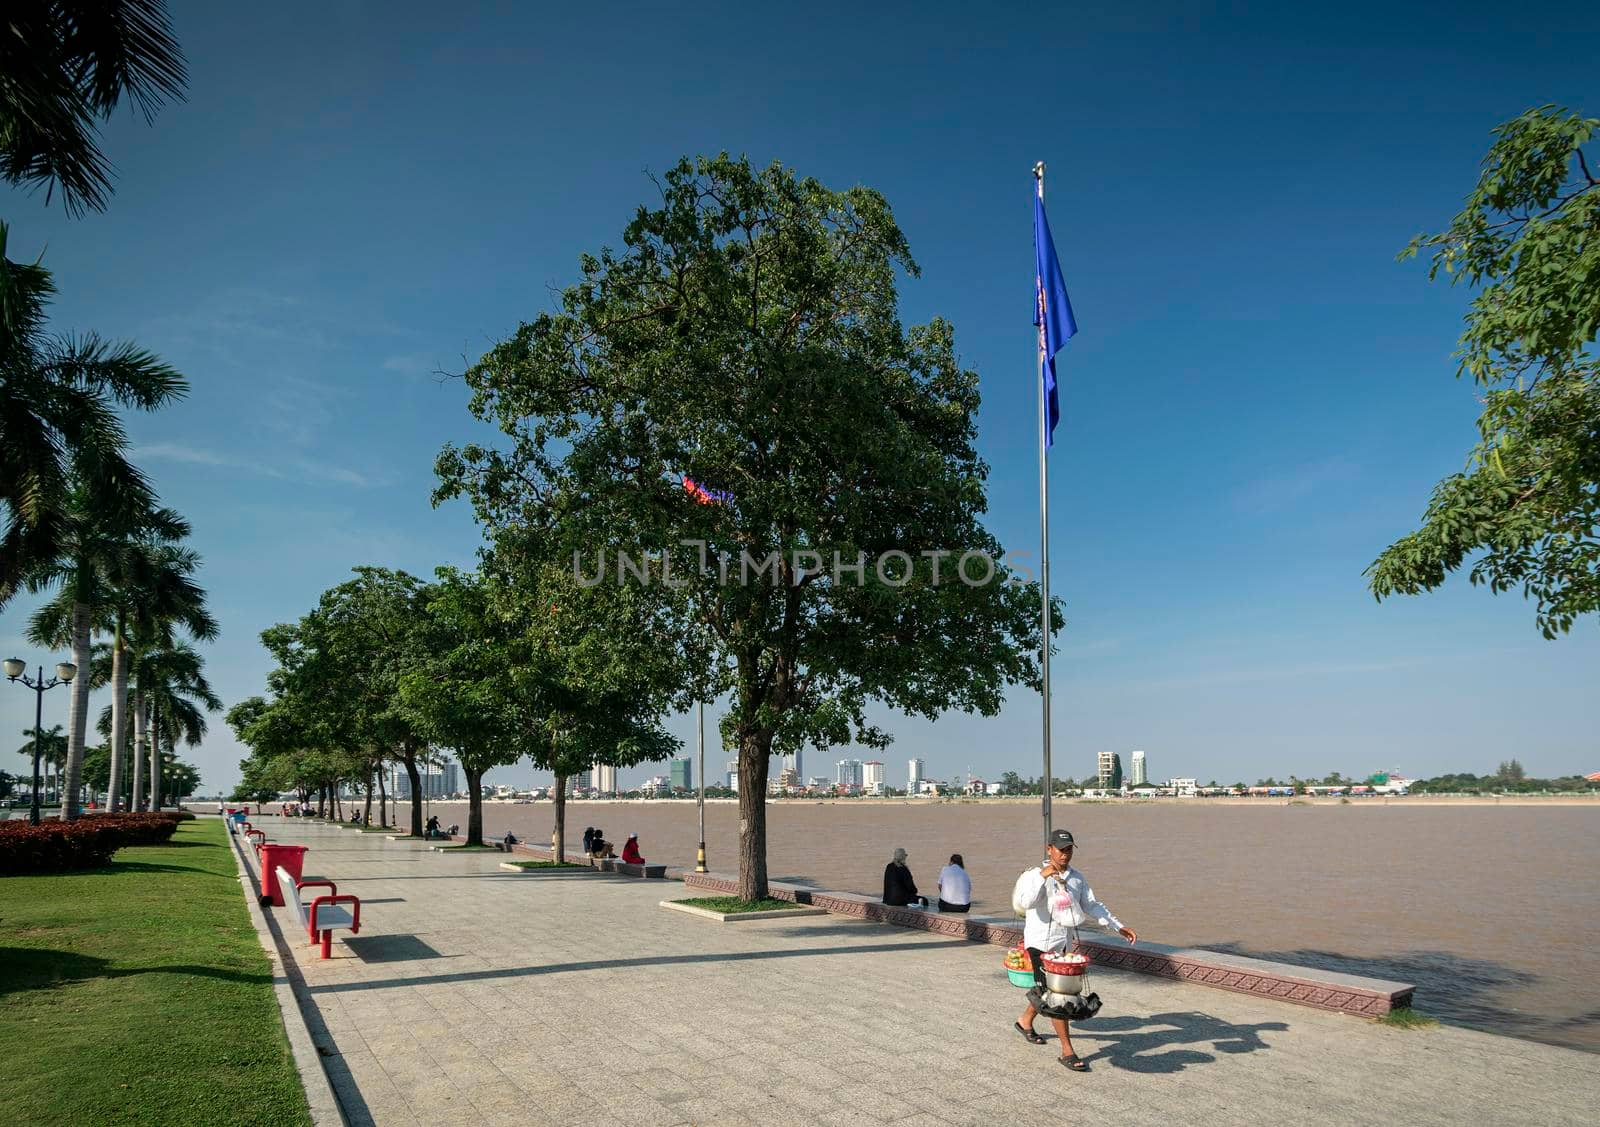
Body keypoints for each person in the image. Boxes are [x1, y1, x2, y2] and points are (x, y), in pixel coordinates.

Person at [1012, 828, 1137, 1072]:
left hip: (1064, 946)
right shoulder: (1033, 875)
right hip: (1039, 944)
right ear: (1049, 849)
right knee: (1060, 997)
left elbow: (1092, 905)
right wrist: (1043, 876)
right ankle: (1067, 1051)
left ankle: (1025, 1020)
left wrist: (1118, 926)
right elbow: (1026, 903)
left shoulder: (1077, 878)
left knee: (1046, 989)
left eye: (1069, 850)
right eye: (1061, 850)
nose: (1065, 855)